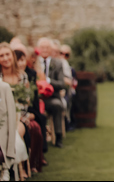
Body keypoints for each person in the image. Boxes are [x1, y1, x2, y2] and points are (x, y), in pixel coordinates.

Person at [0, 43, 30, 180]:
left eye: (7, 54)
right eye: (1, 55)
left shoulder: (22, 76)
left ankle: (18, 168)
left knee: (16, 132)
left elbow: (26, 101)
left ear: (12, 56)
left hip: (20, 115)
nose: (5, 58)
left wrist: (20, 116)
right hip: (3, 116)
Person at [14, 49, 44, 173]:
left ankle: (31, 164)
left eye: (22, 60)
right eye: (18, 60)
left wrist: (26, 115)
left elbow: (26, 101)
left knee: (35, 126)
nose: (20, 63)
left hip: (23, 112)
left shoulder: (26, 76)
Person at [36, 38, 67, 148]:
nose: (44, 50)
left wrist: (47, 81)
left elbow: (61, 84)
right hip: (37, 98)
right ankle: (40, 140)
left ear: (51, 49)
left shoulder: (57, 63)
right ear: (38, 49)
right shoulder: (34, 63)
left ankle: (58, 137)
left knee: (57, 105)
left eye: (47, 47)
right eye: (42, 47)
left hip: (52, 98)